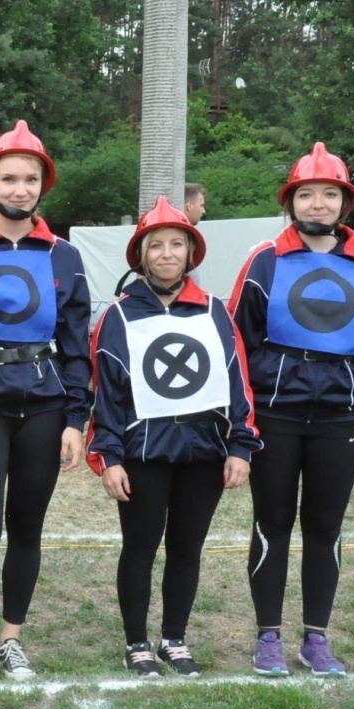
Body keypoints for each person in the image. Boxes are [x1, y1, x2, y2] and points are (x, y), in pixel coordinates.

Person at [229, 143, 354, 677]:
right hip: (275, 415)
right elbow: (237, 342)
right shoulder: (265, 260)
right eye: (306, 194)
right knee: (272, 522)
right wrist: (241, 421)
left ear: (344, 203)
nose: (318, 204)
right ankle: (267, 635)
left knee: (325, 527)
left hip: (344, 418)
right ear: (291, 201)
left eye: (329, 194)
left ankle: (316, 638)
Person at [0, 121, 89, 681]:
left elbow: (76, 344)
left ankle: (11, 637)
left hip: (44, 405)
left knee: (27, 528)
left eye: (30, 179)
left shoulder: (63, 254)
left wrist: (75, 418)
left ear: (42, 184)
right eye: (9, 178)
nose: (20, 189)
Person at [90, 200, 258, 677]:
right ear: (141, 255)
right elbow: (106, 393)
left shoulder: (215, 311)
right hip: (142, 454)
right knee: (140, 549)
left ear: (191, 252)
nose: (167, 253)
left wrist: (241, 445)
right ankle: (136, 643)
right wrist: (108, 457)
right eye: (156, 245)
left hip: (204, 453)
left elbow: (237, 381)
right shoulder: (118, 316)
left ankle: (174, 639)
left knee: (187, 548)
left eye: (177, 244)